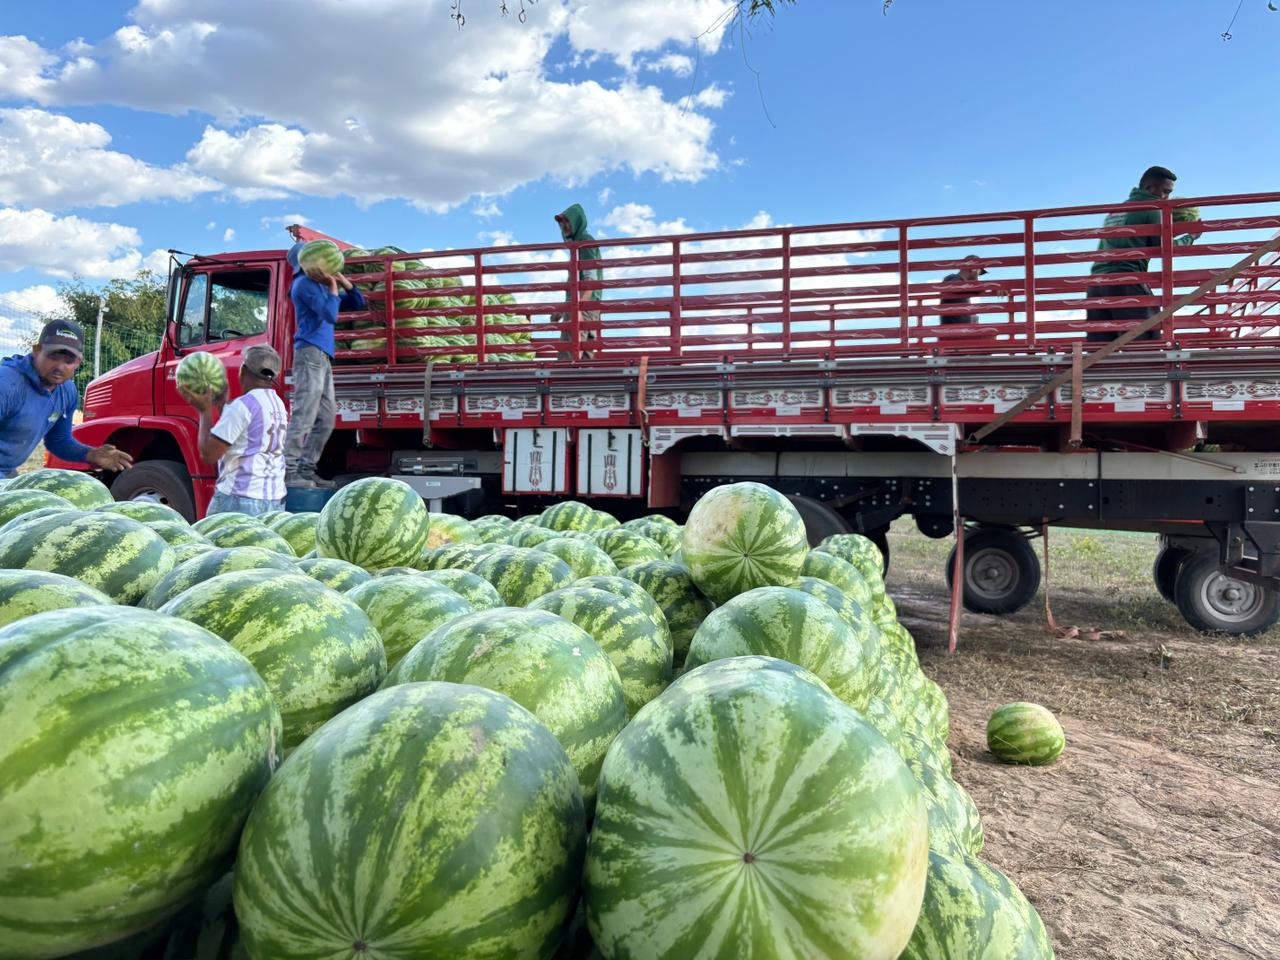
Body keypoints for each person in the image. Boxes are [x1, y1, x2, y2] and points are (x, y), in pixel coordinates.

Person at [0, 319, 133, 479]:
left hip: (6, 470)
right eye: (53, 356)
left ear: (78, 362)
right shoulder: (7, 383)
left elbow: (58, 440)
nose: (60, 366)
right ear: (37, 351)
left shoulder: (67, 391)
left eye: (69, 360)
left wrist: (90, 454)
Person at [282, 236, 365, 488]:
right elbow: (330, 313)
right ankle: (289, 470)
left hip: (322, 356)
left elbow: (357, 303)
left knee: (327, 418)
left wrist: (342, 282)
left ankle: (307, 469)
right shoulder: (303, 285)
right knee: (304, 414)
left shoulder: (319, 286)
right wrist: (331, 283)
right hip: (309, 353)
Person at [1085, 165, 1196, 342]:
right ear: (1150, 188)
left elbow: (1131, 238)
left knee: (1101, 346)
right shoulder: (1151, 207)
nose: (1166, 197)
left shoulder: (1116, 211)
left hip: (1096, 285)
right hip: (1126, 281)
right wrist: (1190, 237)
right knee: (1147, 340)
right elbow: (1163, 247)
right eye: (1165, 191)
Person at [179, 344, 289, 517]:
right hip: (273, 501)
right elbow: (242, 435)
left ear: (243, 370)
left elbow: (208, 454)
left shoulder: (243, 406)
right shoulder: (278, 404)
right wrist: (222, 403)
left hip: (239, 500)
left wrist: (204, 411)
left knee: (213, 543)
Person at [553, 204, 603, 358]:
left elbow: (590, 280)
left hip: (583, 307)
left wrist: (578, 309)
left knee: (568, 360)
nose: (564, 226)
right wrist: (563, 309)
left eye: (568, 222)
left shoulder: (584, 242)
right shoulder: (577, 245)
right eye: (561, 223)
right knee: (582, 359)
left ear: (577, 222)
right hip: (580, 306)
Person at [938, 255, 993, 325]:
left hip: (962, 330)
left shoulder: (966, 287)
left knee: (975, 318)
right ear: (973, 269)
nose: (978, 276)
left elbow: (979, 290)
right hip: (953, 332)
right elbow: (954, 287)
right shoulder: (952, 278)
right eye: (979, 272)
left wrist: (994, 289)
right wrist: (976, 279)